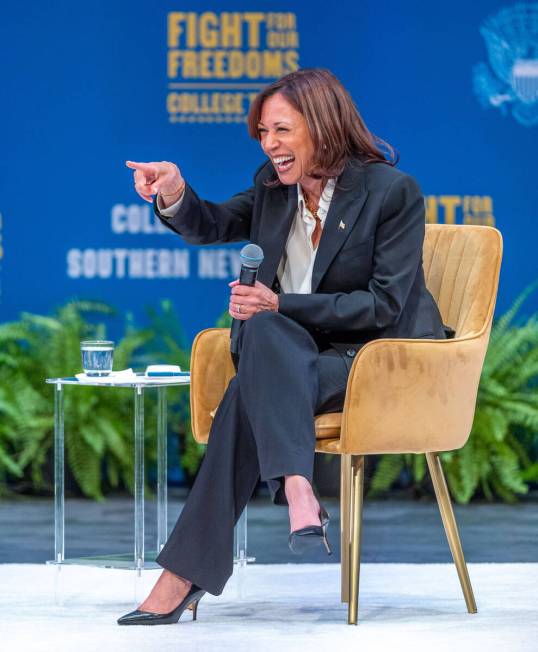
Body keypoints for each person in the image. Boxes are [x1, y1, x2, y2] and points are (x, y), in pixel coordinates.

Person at [118, 68, 446, 626]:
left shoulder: (392, 193)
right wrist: (174, 194)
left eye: (281, 130)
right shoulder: (274, 189)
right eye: (263, 134)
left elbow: (382, 307)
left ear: (322, 124)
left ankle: (182, 576)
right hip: (291, 356)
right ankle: (298, 486)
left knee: (253, 378)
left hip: (372, 360)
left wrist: (279, 305)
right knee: (263, 334)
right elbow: (215, 222)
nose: (270, 144)